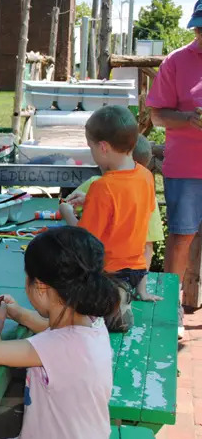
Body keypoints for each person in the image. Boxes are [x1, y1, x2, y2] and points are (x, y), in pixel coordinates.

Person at [0, 226, 118, 439]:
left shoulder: (58, 346)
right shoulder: (92, 323)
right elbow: (52, 327)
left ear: (40, 287)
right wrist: (19, 314)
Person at [58, 106, 157, 303]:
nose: (91, 152)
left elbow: (87, 239)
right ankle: (134, 294)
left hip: (108, 273)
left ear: (103, 147)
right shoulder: (145, 176)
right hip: (138, 271)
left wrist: (67, 212)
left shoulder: (102, 186)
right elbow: (131, 210)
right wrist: (91, 202)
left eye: (91, 147)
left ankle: (116, 305)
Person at [146, 0, 202, 313]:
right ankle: (170, 307)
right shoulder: (177, 61)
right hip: (186, 168)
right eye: (200, 28)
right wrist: (187, 119)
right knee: (181, 236)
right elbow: (156, 115)